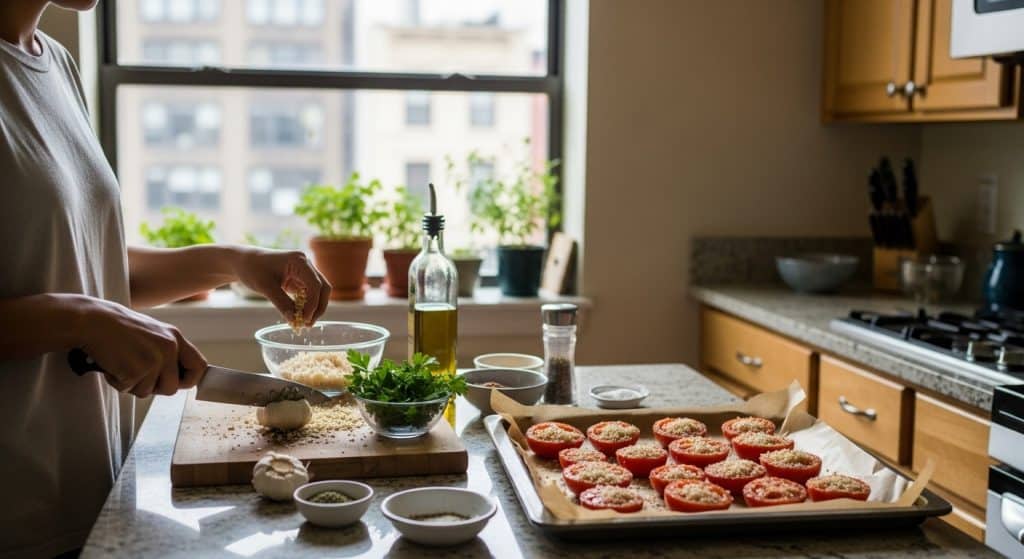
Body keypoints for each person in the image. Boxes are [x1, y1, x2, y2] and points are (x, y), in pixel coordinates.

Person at [0, 1, 332, 556]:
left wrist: (234, 261)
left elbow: (87, 264)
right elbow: (83, 300)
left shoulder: (54, 63)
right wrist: (84, 320)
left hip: (87, 497)